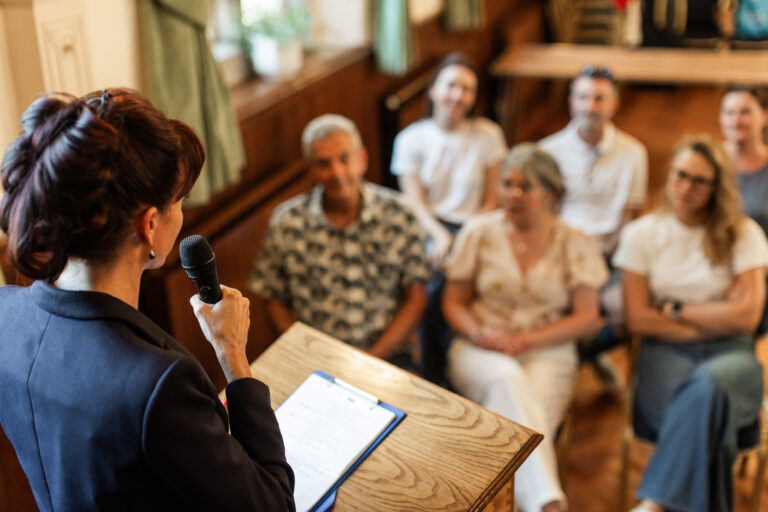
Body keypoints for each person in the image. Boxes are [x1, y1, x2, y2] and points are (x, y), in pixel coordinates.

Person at [0, 89, 295, 511]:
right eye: (180, 201)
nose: (182, 213)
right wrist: (234, 357)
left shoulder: (5, 315)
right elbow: (274, 505)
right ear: (150, 224)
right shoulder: (158, 384)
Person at [442, 144, 608, 512]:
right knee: (508, 382)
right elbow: (453, 302)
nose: (511, 194)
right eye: (506, 184)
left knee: (522, 427)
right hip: (482, 346)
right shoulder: (478, 232)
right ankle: (549, 504)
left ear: (549, 194)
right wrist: (479, 334)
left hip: (548, 347)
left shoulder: (574, 242)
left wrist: (528, 340)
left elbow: (587, 317)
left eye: (524, 186)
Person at [613, 135, 768, 512]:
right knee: (709, 417)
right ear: (669, 175)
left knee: (711, 387)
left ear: (717, 187)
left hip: (733, 356)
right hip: (665, 355)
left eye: (700, 180)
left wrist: (676, 308)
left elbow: (747, 317)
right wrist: (718, 317)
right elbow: (637, 318)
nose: (686, 187)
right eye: (680, 175)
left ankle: (652, 505)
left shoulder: (743, 233)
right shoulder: (641, 235)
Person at [250, 114, 431, 365]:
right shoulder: (287, 222)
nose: (337, 173)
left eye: (344, 159)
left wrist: (373, 358)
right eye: (324, 164)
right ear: (311, 170)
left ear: (362, 159)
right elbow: (272, 297)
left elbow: (416, 298)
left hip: (387, 354)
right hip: (313, 356)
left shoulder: (400, 214)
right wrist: (306, 351)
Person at [390, 52, 507, 381]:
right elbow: (414, 203)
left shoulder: (488, 135)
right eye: (451, 85)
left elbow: (492, 199)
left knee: (454, 278)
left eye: (467, 89)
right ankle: (435, 370)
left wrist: (461, 238)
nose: (458, 95)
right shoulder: (411, 139)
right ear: (433, 90)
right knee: (432, 281)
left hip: (476, 225)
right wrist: (442, 238)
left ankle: (450, 367)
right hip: (429, 229)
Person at [539, 64, 648, 389]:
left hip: (610, 252)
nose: (590, 106)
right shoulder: (548, 151)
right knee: (549, 309)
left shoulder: (634, 153)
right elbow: (546, 214)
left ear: (614, 104)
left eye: (599, 98)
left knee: (625, 311)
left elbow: (630, 215)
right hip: (560, 253)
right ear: (571, 101)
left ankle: (586, 353)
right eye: (583, 97)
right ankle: (568, 363)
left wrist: (603, 255)